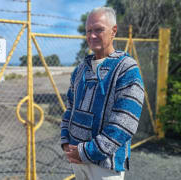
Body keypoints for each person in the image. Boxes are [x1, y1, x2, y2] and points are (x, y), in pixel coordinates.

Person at [60, 7, 144, 180]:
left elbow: (125, 122)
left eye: (98, 29)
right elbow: (69, 108)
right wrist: (65, 140)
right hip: (77, 160)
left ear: (113, 31)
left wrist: (87, 152)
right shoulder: (80, 70)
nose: (92, 36)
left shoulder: (126, 69)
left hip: (106, 165)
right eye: (88, 31)